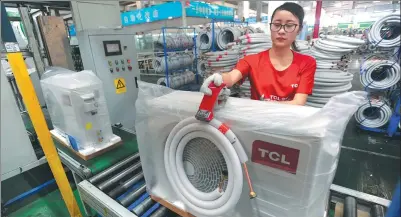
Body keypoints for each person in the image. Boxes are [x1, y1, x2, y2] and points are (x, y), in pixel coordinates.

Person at [200, 2, 317, 106]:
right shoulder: (252, 61)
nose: (281, 31)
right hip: (257, 122)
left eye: (289, 25)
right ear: (270, 27)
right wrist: (219, 78)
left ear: (299, 29)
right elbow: (231, 77)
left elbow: (298, 102)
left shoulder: (306, 63)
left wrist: (269, 106)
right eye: (277, 24)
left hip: (288, 124)